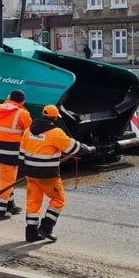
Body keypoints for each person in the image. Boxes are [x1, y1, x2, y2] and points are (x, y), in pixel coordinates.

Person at [18, 104, 91, 243]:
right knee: (58, 200)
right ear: (55, 118)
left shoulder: (29, 130)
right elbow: (72, 147)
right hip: (47, 175)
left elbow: (21, 152)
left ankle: (31, 233)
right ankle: (46, 229)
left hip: (30, 173)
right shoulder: (55, 132)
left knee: (33, 202)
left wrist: (24, 167)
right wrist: (86, 148)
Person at [0, 89, 32, 221]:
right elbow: (30, 134)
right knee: (7, 181)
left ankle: (10, 205)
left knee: (7, 178)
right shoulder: (22, 113)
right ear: (22, 101)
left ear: (9, 98)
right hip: (12, 153)